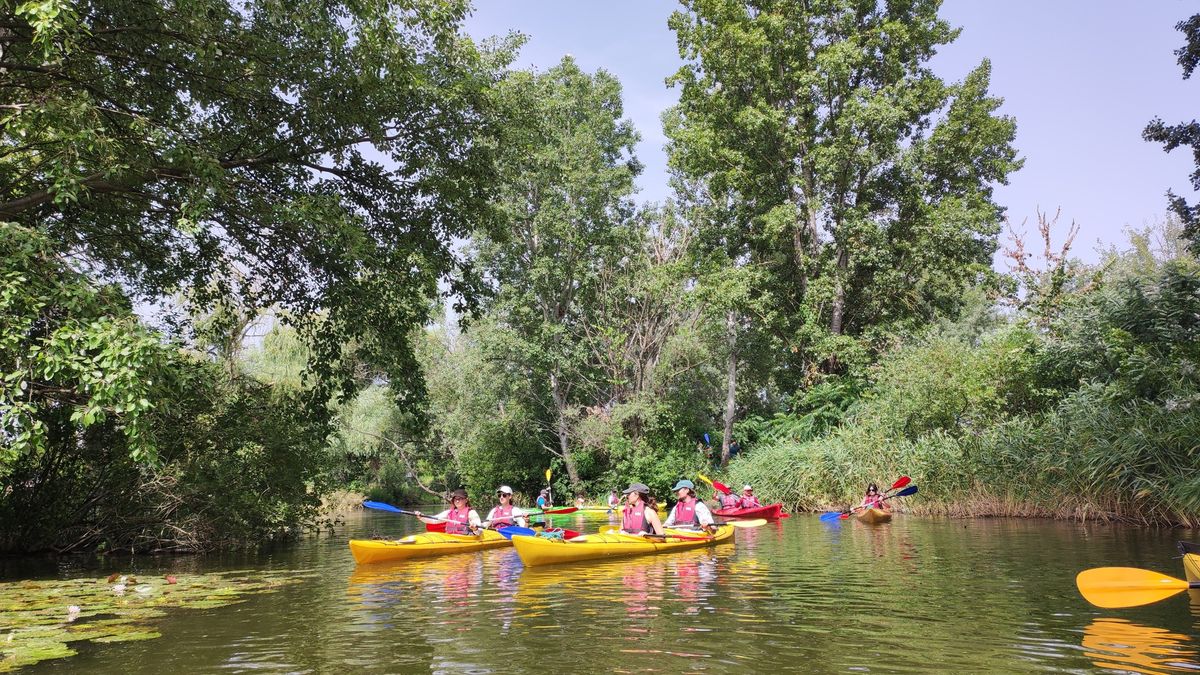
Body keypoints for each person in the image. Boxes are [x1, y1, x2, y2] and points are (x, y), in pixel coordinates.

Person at [415, 488, 481, 535]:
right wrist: (421, 516)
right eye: (455, 499)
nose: (457, 501)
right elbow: (433, 520)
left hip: (466, 539)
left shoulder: (471, 513)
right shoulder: (449, 512)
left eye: (460, 499)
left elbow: (479, 532)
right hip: (449, 537)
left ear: (466, 500)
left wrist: (475, 529)